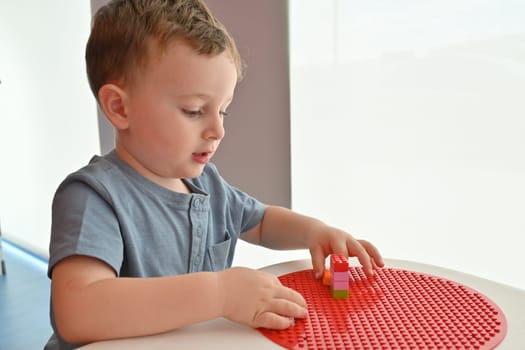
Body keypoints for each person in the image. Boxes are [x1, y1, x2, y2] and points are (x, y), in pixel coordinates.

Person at [45, 0, 384, 349]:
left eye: (223, 111)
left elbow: (262, 221)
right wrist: (219, 293)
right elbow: (78, 311)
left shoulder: (207, 185)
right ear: (119, 107)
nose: (217, 130)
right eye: (194, 111)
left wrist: (315, 231)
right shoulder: (93, 196)